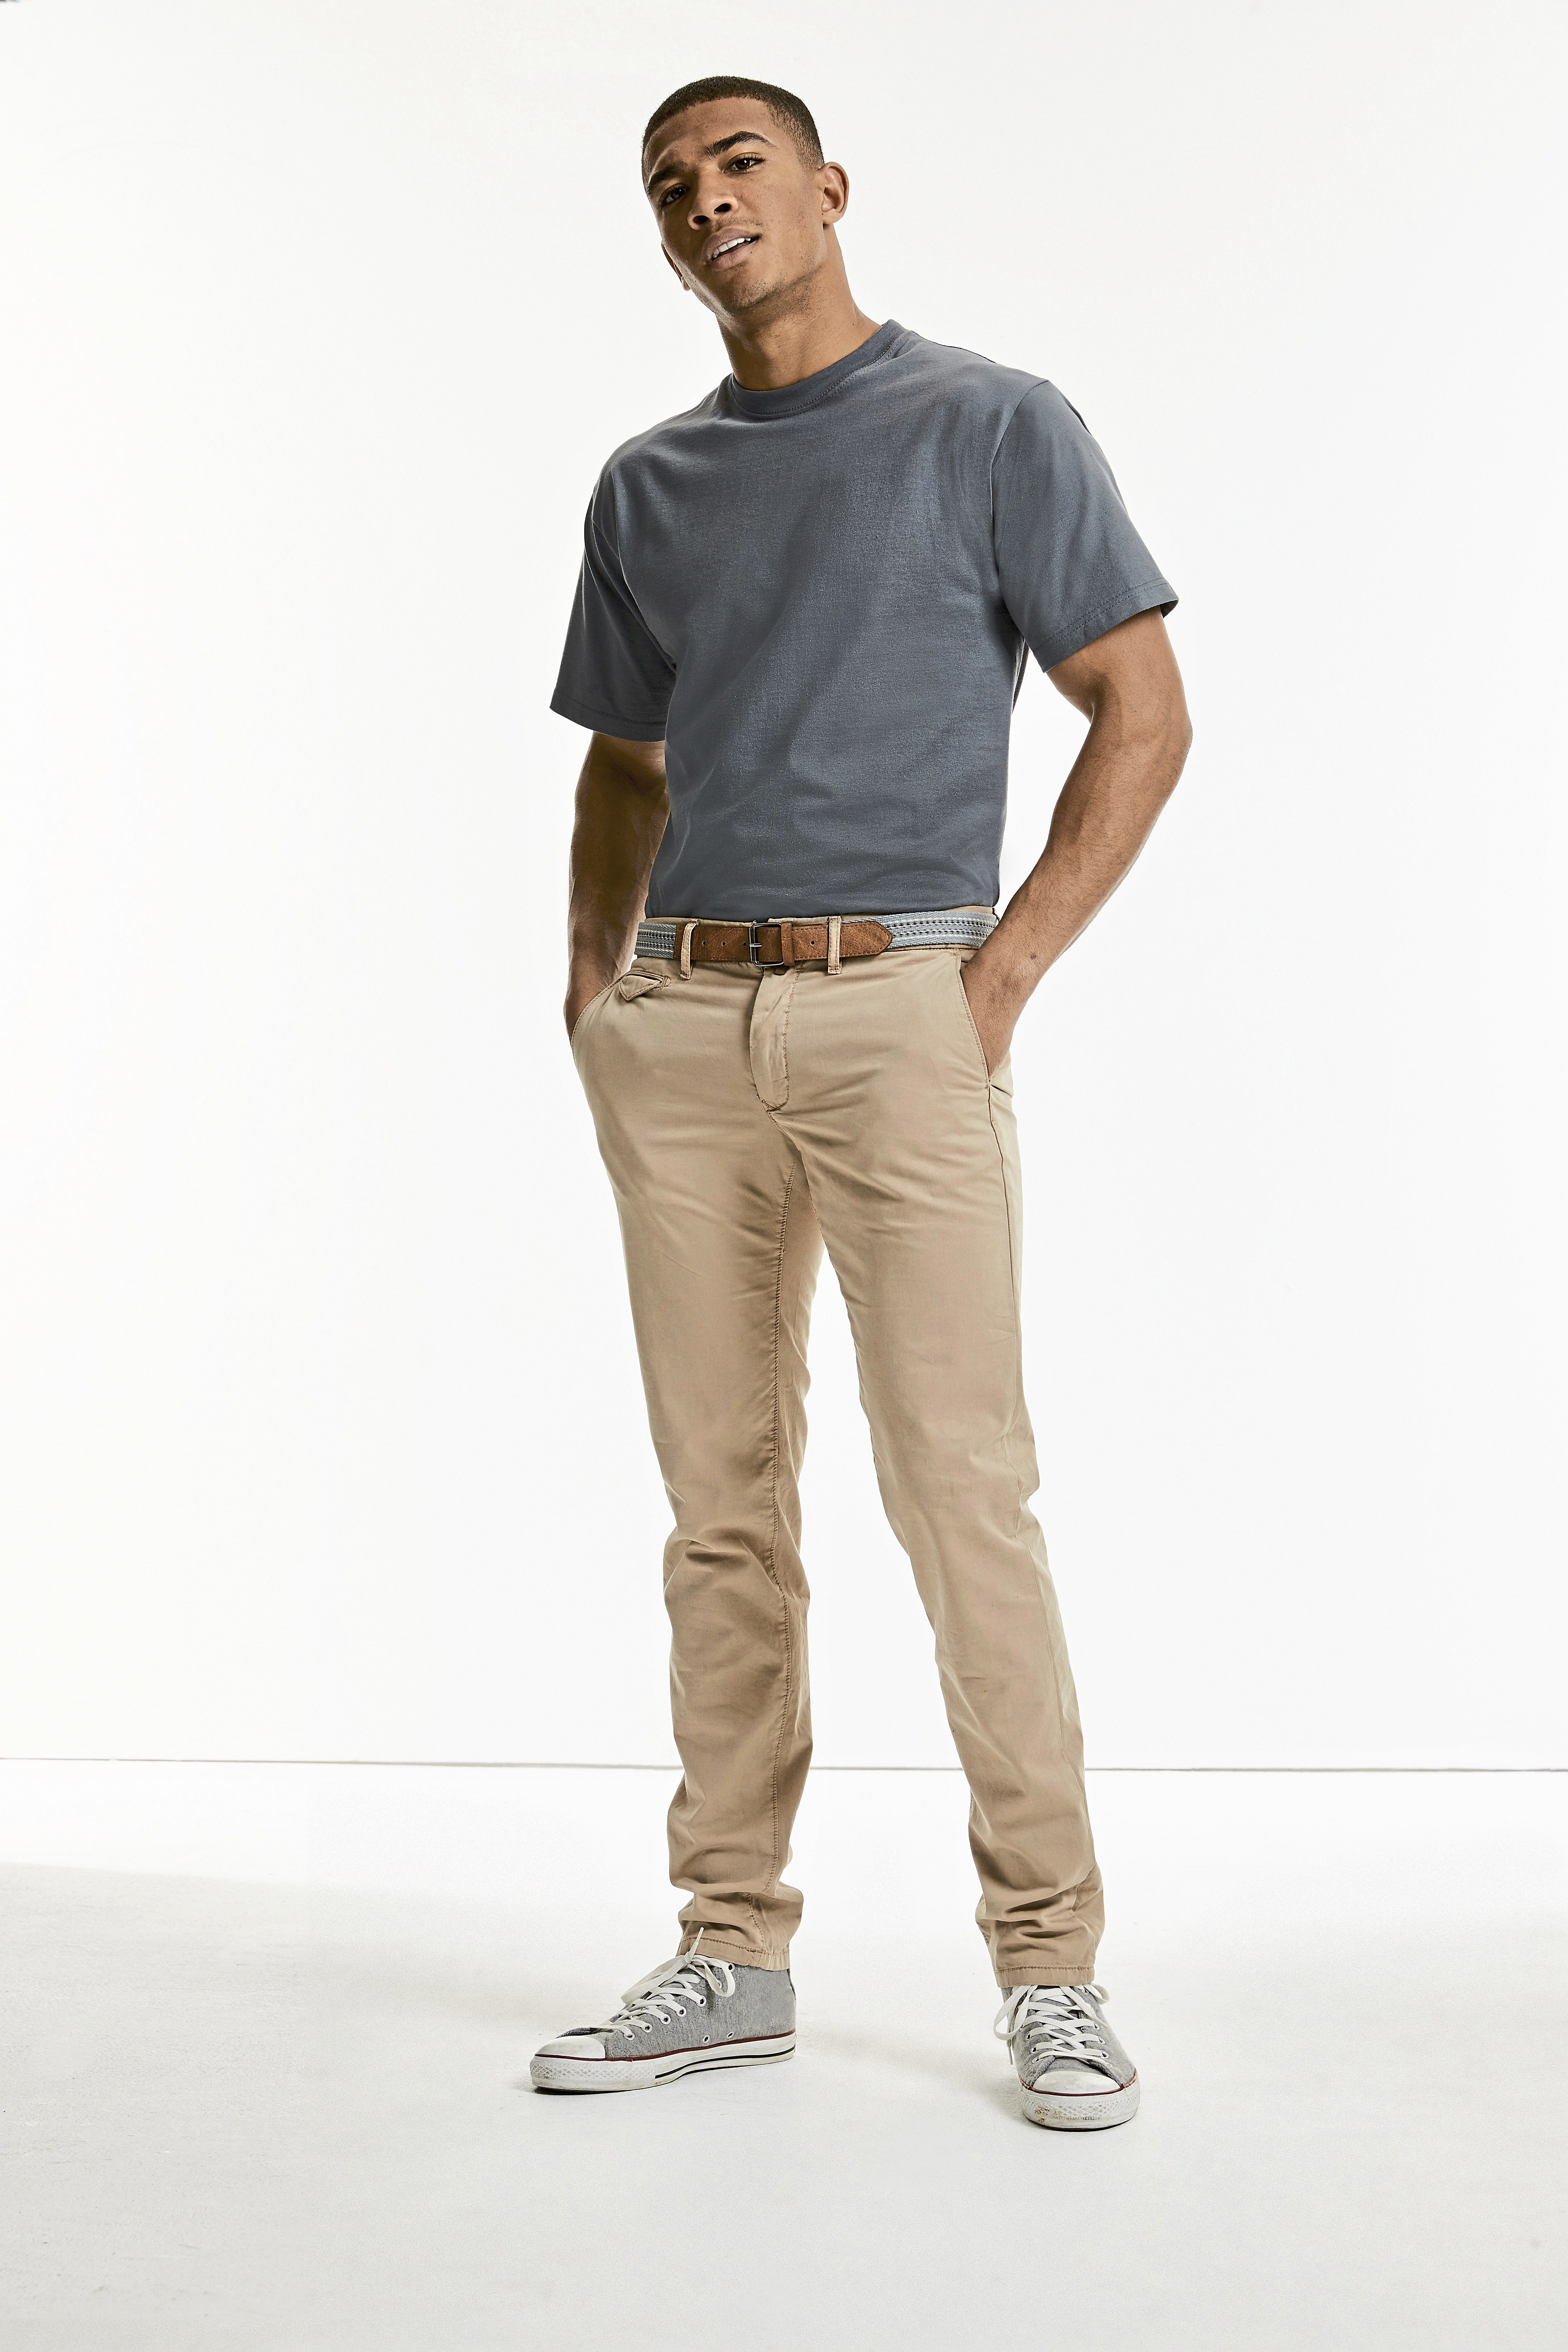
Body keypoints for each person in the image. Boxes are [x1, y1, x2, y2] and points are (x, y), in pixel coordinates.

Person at [532, 74, 1190, 2130]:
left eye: (739, 164)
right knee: (721, 1510)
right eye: (672, 185)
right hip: (686, 1025)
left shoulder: (992, 425)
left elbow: (1142, 711)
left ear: (826, 187)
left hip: (903, 1003)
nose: (706, 200)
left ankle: (1052, 1967)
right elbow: (627, 760)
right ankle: (732, 1947)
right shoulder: (649, 484)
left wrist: (997, 979)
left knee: (960, 1493)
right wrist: (594, 985)